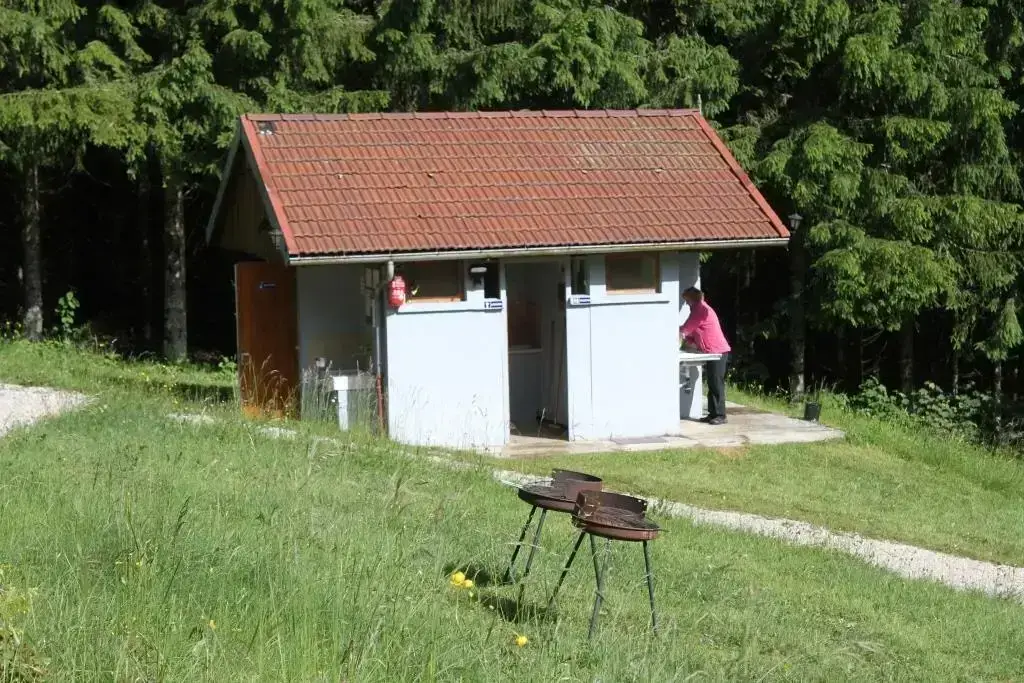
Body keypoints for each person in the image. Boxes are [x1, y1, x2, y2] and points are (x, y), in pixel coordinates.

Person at [679, 287, 731, 425]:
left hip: (718, 351)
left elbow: (685, 329)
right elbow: (692, 332)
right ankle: (713, 414)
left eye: (686, 300)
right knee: (712, 383)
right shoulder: (698, 309)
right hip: (712, 352)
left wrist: (675, 336)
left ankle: (721, 415)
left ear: (692, 298)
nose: (686, 303)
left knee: (716, 384)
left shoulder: (700, 310)